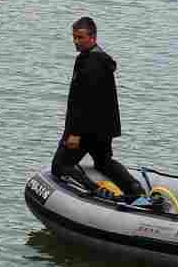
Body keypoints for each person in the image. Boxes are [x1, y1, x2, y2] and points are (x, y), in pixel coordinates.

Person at [51, 16, 140, 195]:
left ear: (93, 37)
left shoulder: (90, 64)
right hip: (103, 128)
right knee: (104, 162)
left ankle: (95, 190)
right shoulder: (100, 59)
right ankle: (135, 189)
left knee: (60, 166)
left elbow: (84, 102)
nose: (76, 41)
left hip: (85, 130)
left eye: (81, 37)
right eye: (74, 37)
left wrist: (75, 133)